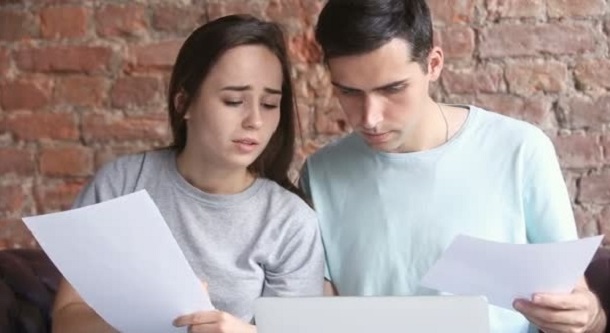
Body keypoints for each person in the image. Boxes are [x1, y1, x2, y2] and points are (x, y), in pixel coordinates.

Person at [299, 1, 607, 333]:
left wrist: (590, 317)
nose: (370, 118)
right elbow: (317, 315)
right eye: (349, 92)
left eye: (392, 89)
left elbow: (573, 302)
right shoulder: (319, 175)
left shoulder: (520, 151)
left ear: (433, 64)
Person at [52, 14, 324, 333]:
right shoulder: (121, 183)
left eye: (268, 104)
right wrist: (145, 321)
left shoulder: (291, 223)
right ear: (184, 103)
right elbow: (67, 317)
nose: (255, 120)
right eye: (233, 100)